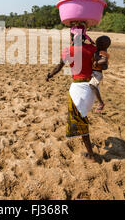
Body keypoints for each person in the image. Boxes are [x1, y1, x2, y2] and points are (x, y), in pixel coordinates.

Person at [46, 29, 100, 163]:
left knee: (81, 121)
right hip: (91, 89)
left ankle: (91, 155)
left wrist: (49, 75)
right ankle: (88, 148)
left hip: (78, 89)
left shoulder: (68, 50)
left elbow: (59, 66)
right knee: (83, 116)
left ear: (72, 36)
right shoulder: (93, 49)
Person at [89, 36, 111, 113]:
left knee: (92, 85)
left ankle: (101, 103)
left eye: (97, 44)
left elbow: (104, 60)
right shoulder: (99, 51)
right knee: (92, 86)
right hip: (95, 72)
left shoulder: (103, 52)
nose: (96, 45)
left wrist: (97, 62)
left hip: (97, 73)